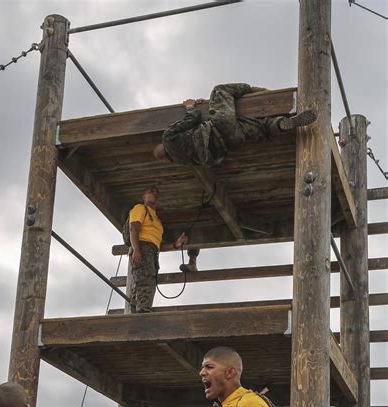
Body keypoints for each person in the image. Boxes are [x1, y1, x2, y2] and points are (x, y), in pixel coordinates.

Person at [153, 83, 317, 167]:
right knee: (219, 90)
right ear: (162, 146)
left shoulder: (182, 161)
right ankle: (257, 91)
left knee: (263, 129)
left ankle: (281, 124)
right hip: (219, 125)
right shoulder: (168, 137)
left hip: (230, 143)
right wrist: (190, 107)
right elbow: (193, 118)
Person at [128, 185, 188, 312]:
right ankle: (143, 312)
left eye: (156, 193)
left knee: (146, 280)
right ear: (143, 197)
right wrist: (136, 250)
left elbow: (158, 244)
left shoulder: (157, 221)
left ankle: (136, 312)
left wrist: (175, 245)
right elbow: (134, 228)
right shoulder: (140, 208)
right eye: (150, 192)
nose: (154, 194)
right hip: (143, 248)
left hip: (152, 252)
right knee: (145, 281)